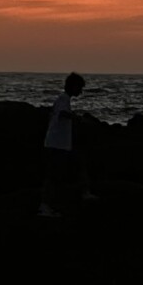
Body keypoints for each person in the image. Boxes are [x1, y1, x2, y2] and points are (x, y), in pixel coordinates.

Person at [39, 71, 87, 216]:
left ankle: (52, 204)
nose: (81, 91)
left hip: (60, 144)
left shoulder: (63, 99)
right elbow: (62, 114)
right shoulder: (63, 99)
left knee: (60, 174)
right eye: (79, 87)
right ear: (73, 86)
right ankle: (45, 206)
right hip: (57, 144)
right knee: (54, 176)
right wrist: (77, 118)